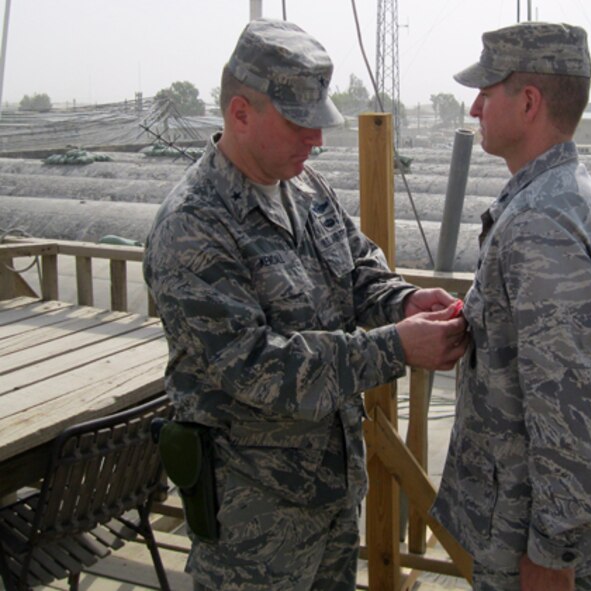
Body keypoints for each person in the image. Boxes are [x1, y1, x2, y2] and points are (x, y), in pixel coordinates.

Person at [143, 19, 468, 591]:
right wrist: (395, 347)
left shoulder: (307, 188)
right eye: (299, 123)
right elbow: (255, 366)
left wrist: (405, 301)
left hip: (330, 497)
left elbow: (359, 270)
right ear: (240, 113)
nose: (315, 140)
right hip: (253, 525)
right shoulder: (193, 224)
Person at [430, 21, 591, 591]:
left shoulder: (541, 221)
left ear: (528, 103)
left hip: (529, 543)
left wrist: (552, 555)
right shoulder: (563, 192)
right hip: (527, 528)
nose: (474, 106)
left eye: (487, 90)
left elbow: (570, 404)